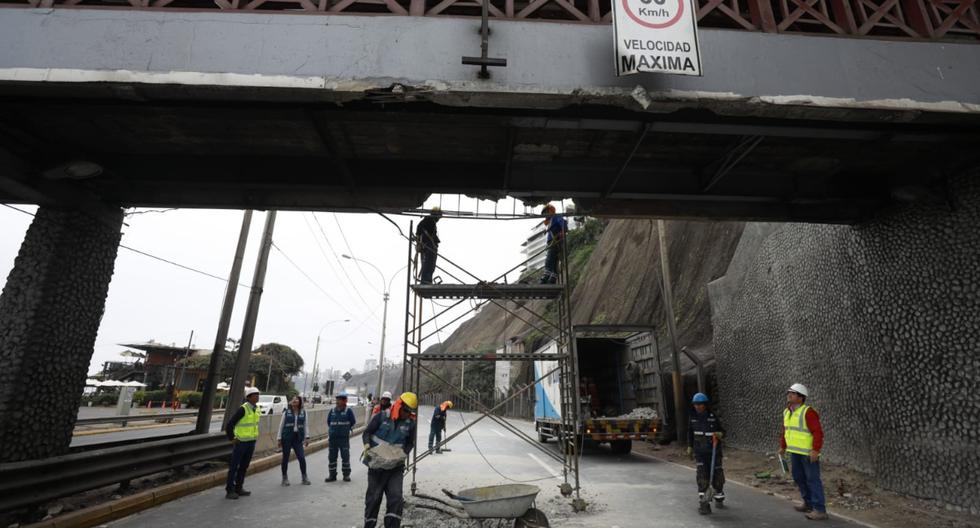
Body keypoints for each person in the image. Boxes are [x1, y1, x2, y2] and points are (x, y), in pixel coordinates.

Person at [362, 392, 418, 528]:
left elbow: (410, 442)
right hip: (377, 467)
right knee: (373, 499)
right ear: (399, 405)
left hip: (395, 468)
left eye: (410, 411)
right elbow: (367, 433)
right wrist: (367, 445)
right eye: (405, 410)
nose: (407, 414)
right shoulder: (381, 417)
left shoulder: (410, 423)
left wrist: (403, 454)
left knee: (396, 498)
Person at [780, 383, 828, 521]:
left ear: (801, 398)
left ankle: (820, 509)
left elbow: (818, 432)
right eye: (789, 392)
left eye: (793, 393)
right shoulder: (787, 411)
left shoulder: (808, 412)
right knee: (799, 477)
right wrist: (783, 446)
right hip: (794, 452)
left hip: (808, 453)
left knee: (813, 479)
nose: (789, 395)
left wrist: (815, 450)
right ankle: (808, 503)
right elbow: (785, 431)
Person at [686, 392, 725, 514]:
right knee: (702, 477)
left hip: (714, 452)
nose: (697, 406)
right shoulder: (692, 418)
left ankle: (719, 497)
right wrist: (690, 447)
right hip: (700, 453)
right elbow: (690, 433)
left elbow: (723, 431)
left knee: (717, 477)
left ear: (705, 405)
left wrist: (720, 434)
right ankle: (704, 504)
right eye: (696, 404)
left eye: (700, 404)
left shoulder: (713, 416)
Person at [224, 386, 261, 500]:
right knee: (234, 466)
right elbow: (229, 425)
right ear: (249, 397)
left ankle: (239, 488)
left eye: (258, 395)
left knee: (244, 466)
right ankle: (230, 490)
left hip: (251, 442)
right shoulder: (243, 409)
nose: (257, 397)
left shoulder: (257, 409)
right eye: (255, 395)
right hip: (241, 443)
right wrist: (232, 438)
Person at [278, 395, 311, 486]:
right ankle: (284, 478)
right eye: (293, 399)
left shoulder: (303, 412)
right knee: (285, 458)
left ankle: (304, 477)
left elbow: (306, 425)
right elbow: (281, 426)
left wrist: (307, 437)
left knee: (301, 457)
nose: (295, 400)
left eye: (297, 399)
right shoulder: (286, 412)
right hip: (287, 437)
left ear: (300, 402)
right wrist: (279, 438)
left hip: (297, 438)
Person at [326, 393, 357, 482]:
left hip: (343, 438)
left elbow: (353, 422)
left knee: (345, 457)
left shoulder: (348, 411)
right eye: (337, 400)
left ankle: (346, 475)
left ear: (344, 401)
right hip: (333, 438)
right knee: (332, 457)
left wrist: (345, 429)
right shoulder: (332, 411)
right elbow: (329, 422)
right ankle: (332, 475)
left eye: (339, 400)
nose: (337, 401)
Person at [539, 204, 567, 284]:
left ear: (550, 210)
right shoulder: (550, 221)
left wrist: (562, 231)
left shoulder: (555, 217)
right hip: (553, 241)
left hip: (555, 241)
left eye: (545, 212)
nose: (545, 215)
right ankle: (553, 278)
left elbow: (563, 223)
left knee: (550, 258)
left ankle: (546, 275)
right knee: (554, 260)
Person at [416, 208, 442, 284]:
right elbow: (418, 231)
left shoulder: (429, 221)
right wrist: (419, 243)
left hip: (428, 245)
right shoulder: (428, 220)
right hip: (428, 245)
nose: (439, 219)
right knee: (428, 263)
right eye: (439, 216)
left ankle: (427, 280)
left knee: (429, 264)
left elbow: (418, 231)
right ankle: (426, 280)